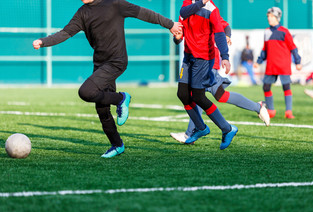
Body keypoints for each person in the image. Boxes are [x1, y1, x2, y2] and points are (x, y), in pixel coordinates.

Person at [33, 0, 182, 158]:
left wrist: (170, 24)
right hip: (100, 63)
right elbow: (66, 32)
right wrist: (44, 42)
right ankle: (117, 145)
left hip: (116, 62)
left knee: (86, 92)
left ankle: (121, 98)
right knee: (102, 108)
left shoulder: (115, 4)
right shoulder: (82, 12)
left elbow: (144, 13)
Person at [170, 16, 270, 144]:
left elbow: (225, 26)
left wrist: (227, 36)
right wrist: (177, 38)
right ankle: (258, 107)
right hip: (191, 61)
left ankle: (190, 133)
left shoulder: (208, 10)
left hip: (207, 60)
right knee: (208, 95)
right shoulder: (185, 12)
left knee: (200, 94)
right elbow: (179, 35)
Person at [175, 0, 237, 150]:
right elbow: (182, 15)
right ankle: (201, 128)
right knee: (182, 94)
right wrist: (177, 38)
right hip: (188, 57)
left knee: (198, 96)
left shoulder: (212, 9)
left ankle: (227, 128)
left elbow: (220, 34)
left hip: (204, 58)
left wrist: (225, 57)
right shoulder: (187, 3)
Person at [254, 7, 302, 119]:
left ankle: (288, 112)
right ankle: (271, 110)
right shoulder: (266, 32)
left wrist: (298, 62)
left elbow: (293, 48)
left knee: (286, 86)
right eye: (268, 16)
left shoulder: (284, 31)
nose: (269, 18)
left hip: (283, 65)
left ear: (277, 17)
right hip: (271, 65)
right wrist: (259, 61)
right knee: (266, 87)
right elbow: (265, 49)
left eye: (271, 16)